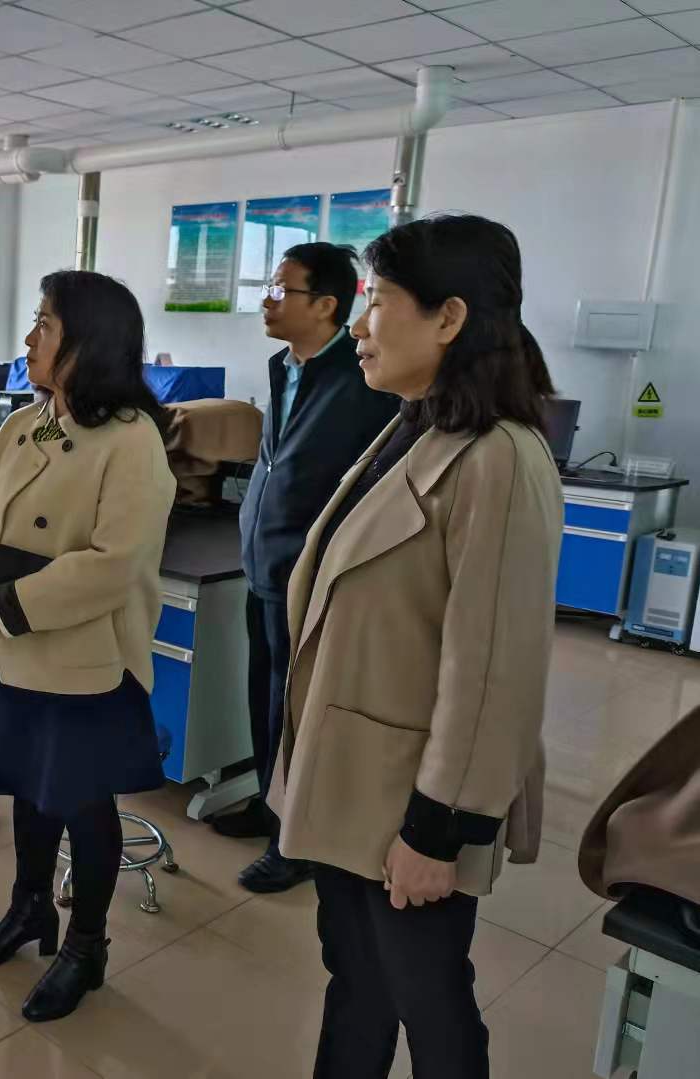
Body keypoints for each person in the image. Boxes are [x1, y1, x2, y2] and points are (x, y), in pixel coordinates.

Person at [272, 214, 562, 1078]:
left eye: (380, 302)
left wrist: (438, 833)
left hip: (411, 807)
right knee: (356, 979)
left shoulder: (500, 458)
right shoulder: (418, 427)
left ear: (449, 317)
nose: (361, 325)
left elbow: (493, 670)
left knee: (430, 1005)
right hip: (354, 783)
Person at [0, 270, 176, 1023]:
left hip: (86, 660)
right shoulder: (27, 422)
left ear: (90, 340)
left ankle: (86, 946)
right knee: (29, 786)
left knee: (82, 800)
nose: (28, 338)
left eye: (44, 324)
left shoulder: (132, 440)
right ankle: (28, 908)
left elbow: (113, 566)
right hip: (16, 647)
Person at [215, 242, 397, 895]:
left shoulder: (362, 381)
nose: (267, 300)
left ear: (325, 305)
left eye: (280, 289)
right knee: (262, 696)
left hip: (311, 574)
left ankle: (293, 839)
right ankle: (268, 803)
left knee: (295, 710)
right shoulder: (284, 366)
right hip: (264, 561)